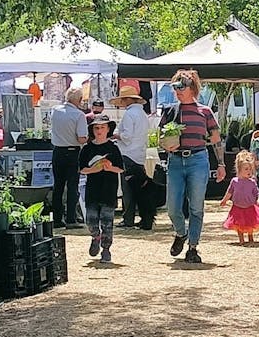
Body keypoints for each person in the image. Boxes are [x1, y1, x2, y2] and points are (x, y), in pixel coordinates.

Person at [160, 69, 225, 264]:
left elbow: (216, 138)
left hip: (198, 160)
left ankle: (193, 247)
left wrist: (221, 163)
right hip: (176, 161)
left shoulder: (204, 111)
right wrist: (167, 144)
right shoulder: (170, 111)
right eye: (176, 88)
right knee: (172, 207)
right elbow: (160, 137)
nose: (178, 91)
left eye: (182, 87)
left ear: (192, 89)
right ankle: (181, 233)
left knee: (196, 207)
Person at [79, 114, 124, 263]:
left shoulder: (113, 148)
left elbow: (120, 169)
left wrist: (110, 168)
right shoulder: (87, 149)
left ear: (108, 129)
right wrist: (93, 170)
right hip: (92, 189)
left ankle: (106, 249)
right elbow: (82, 169)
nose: (99, 130)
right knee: (91, 220)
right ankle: (95, 237)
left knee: (107, 221)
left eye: (102, 127)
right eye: (96, 128)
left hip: (109, 189)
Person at [109, 84, 153, 229]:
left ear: (128, 99)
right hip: (139, 154)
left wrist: (115, 135)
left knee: (128, 189)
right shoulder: (143, 115)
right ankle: (143, 216)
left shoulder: (129, 114)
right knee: (140, 188)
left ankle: (128, 218)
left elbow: (127, 137)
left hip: (127, 155)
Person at [48, 87, 89, 228]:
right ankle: (71, 218)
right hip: (73, 152)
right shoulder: (79, 115)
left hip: (57, 151)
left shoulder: (55, 110)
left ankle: (57, 219)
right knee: (72, 186)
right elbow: (82, 138)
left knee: (58, 186)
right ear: (79, 100)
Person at [220, 150, 259, 246]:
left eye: (250, 169)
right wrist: (224, 200)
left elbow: (257, 192)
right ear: (239, 169)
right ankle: (241, 239)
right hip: (237, 206)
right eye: (246, 169)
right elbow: (230, 192)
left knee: (250, 222)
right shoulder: (234, 181)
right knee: (238, 224)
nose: (249, 171)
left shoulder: (252, 182)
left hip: (250, 206)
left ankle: (250, 237)